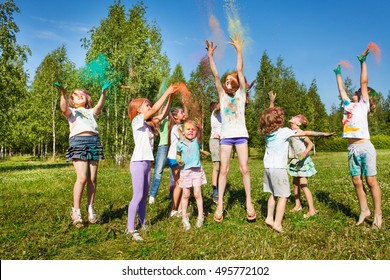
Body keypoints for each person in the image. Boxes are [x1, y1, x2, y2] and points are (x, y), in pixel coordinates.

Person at [259, 91, 333, 232]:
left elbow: (269, 115)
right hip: (279, 169)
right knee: (284, 196)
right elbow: (307, 133)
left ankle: (269, 217)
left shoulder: (266, 131)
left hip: (268, 168)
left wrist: (272, 101)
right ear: (279, 121)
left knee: (273, 194)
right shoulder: (285, 132)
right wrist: (323, 134)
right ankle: (277, 223)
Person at [206, 33, 255, 222]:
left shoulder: (241, 95)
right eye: (225, 81)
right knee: (223, 169)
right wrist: (210, 56)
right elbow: (215, 74)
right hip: (225, 137)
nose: (226, 82)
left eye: (229, 80)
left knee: (244, 169)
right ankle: (220, 205)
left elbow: (239, 69)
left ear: (235, 84)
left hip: (241, 136)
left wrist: (239, 50)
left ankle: (249, 203)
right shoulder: (222, 96)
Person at [333, 48, 382, 229]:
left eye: (359, 90)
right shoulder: (348, 105)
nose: (355, 91)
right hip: (352, 149)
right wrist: (337, 74)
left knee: (370, 181)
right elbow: (341, 89)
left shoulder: (363, 105)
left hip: (365, 148)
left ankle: (377, 213)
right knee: (356, 181)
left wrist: (363, 62)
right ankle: (364, 210)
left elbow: (363, 81)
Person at [55, 81, 112, 227]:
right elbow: (63, 108)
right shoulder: (72, 112)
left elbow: (99, 107)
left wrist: (103, 93)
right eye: (75, 96)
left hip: (93, 141)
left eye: (82, 94)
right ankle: (76, 211)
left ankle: (90, 207)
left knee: (92, 178)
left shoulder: (90, 111)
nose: (80, 96)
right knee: (82, 178)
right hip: (78, 142)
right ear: (72, 102)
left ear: (86, 98)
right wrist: (63, 93)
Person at [126, 84, 177, 241]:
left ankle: (143, 223)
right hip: (138, 162)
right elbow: (155, 109)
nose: (149, 106)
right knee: (138, 195)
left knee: (144, 196)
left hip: (147, 163)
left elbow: (163, 114)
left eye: (148, 104)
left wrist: (170, 98)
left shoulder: (148, 125)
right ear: (138, 110)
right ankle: (130, 229)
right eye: (146, 105)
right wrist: (166, 91)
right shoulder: (136, 121)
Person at [176, 120, 208, 230]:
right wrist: (178, 159)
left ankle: (200, 216)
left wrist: (199, 126)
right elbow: (178, 154)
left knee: (197, 193)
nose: (191, 131)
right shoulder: (180, 144)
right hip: (185, 171)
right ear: (183, 132)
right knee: (185, 194)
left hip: (197, 171)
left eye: (193, 129)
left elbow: (200, 132)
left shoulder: (196, 141)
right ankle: (184, 218)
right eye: (188, 129)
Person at [287, 114, 318, 218]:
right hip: (295, 161)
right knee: (295, 184)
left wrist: (305, 152)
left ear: (298, 123)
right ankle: (298, 205)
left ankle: (312, 210)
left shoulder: (300, 133)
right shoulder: (290, 132)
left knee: (303, 185)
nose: (291, 119)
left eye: (294, 118)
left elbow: (310, 144)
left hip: (302, 161)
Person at [167, 102, 189, 217]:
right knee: (179, 183)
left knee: (183, 183)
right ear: (175, 116)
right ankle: (173, 209)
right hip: (173, 159)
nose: (183, 114)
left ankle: (180, 210)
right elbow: (183, 138)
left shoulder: (180, 126)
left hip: (179, 159)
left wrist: (185, 105)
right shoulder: (176, 127)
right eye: (181, 112)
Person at [209, 101, 222, 204]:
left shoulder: (222, 115)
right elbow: (220, 106)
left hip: (223, 141)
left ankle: (219, 189)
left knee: (222, 167)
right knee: (216, 165)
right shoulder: (215, 113)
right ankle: (215, 192)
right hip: (215, 141)